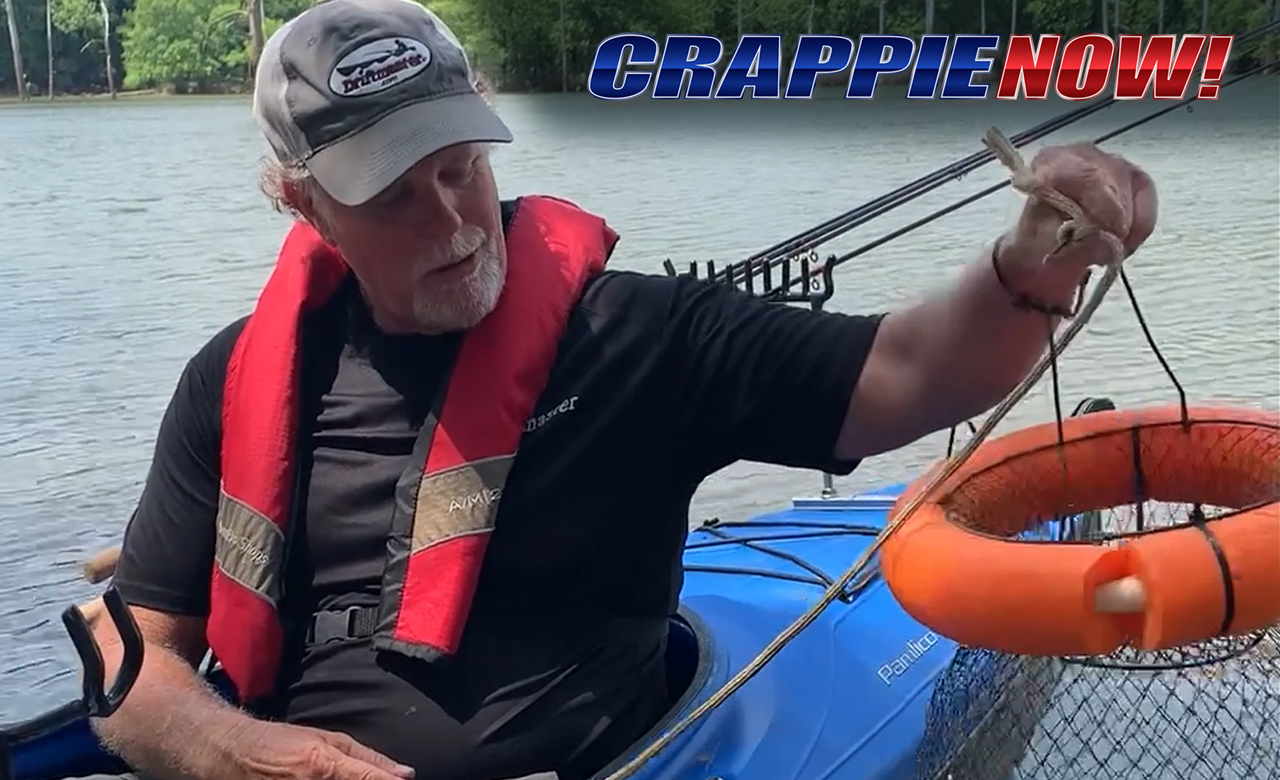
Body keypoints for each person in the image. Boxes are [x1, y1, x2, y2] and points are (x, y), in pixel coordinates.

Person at [83, 0, 1157, 778]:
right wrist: (234, 750)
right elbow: (136, 663)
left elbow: (914, 371)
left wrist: (1033, 263)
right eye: (393, 196)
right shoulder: (234, 381)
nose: (450, 221)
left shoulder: (639, 336)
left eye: (459, 166)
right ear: (302, 201)